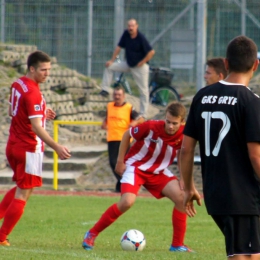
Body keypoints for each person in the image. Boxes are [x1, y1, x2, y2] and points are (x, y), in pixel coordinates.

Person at [180, 35, 260, 259]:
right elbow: (256, 157)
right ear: (255, 65)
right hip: (242, 196)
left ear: (225, 64)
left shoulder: (202, 96)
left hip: (216, 193)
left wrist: (188, 187)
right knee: (247, 255)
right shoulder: (251, 102)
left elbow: (185, 150)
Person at [82, 101, 194, 253]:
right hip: (136, 167)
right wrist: (120, 161)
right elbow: (127, 134)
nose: (170, 126)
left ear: (182, 122)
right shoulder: (151, 127)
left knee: (182, 199)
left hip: (158, 171)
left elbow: (183, 154)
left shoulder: (185, 134)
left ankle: (177, 245)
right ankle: (92, 233)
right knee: (127, 202)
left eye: (175, 123)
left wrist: (183, 178)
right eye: (168, 121)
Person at [0, 51, 71, 246]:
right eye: (43, 70)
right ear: (32, 68)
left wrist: (40, 113)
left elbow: (12, 110)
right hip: (29, 149)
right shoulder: (33, 92)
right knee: (24, 192)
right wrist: (56, 146)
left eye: (49, 69)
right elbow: (36, 128)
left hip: (13, 145)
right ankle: (1, 237)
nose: (47, 73)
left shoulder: (18, 84)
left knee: (20, 186)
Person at [99, 18, 155, 119]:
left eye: (132, 26)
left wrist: (142, 62)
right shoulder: (126, 34)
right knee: (110, 67)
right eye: (129, 26)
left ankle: (143, 114)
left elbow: (151, 52)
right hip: (129, 64)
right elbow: (118, 47)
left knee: (143, 91)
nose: (130, 28)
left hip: (140, 67)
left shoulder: (140, 37)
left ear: (136, 26)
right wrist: (111, 60)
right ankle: (105, 89)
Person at [101, 86, 144, 192]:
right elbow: (107, 118)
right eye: (115, 94)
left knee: (123, 163)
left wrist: (134, 123)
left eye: (119, 95)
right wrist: (104, 124)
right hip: (112, 138)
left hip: (124, 139)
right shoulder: (109, 106)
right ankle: (123, 183)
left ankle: (124, 184)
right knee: (112, 162)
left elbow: (141, 119)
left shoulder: (128, 107)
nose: (117, 97)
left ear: (124, 96)